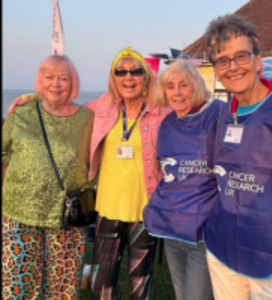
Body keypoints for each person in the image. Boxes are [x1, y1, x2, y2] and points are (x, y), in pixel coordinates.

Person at [7, 47, 171, 300]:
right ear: (113, 78)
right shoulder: (103, 107)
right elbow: (62, 105)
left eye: (136, 71)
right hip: (108, 208)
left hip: (145, 210)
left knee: (140, 285)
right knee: (100, 284)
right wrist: (34, 98)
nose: (128, 77)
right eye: (121, 72)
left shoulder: (162, 111)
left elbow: (188, 107)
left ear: (146, 76)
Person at [202, 14, 272, 300]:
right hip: (225, 246)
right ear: (216, 70)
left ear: (258, 59)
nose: (233, 67)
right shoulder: (221, 114)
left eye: (241, 56)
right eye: (223, 60)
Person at [2, 54, 94, 300]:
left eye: (63, 78)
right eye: (49, 77)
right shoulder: (20, 114)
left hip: (65, 218)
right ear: (40, 81)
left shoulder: (89, 118)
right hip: (18, 215)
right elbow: (3, 156)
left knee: (60, 290)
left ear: (72, 83)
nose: (56, 84)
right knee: (17, 287)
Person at [143, 60, 225, 300]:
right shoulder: (168, 122)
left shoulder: (219, 115)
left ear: (197, 86)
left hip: (204, 234)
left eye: (184, 85)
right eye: (170, 86)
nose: (177, 92)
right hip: (172, 230)